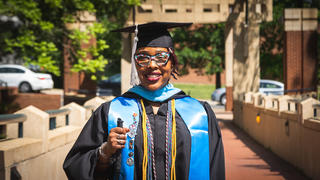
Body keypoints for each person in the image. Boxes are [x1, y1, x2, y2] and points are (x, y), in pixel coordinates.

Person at [63, 22, 225, 180]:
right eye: (143, 57)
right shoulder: (111, 111)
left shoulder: (199, 113)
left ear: (172, 62)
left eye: (161, 57)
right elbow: (76, 166)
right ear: (135, 64)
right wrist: (104, 152)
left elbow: (215, 169)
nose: (152, 65)